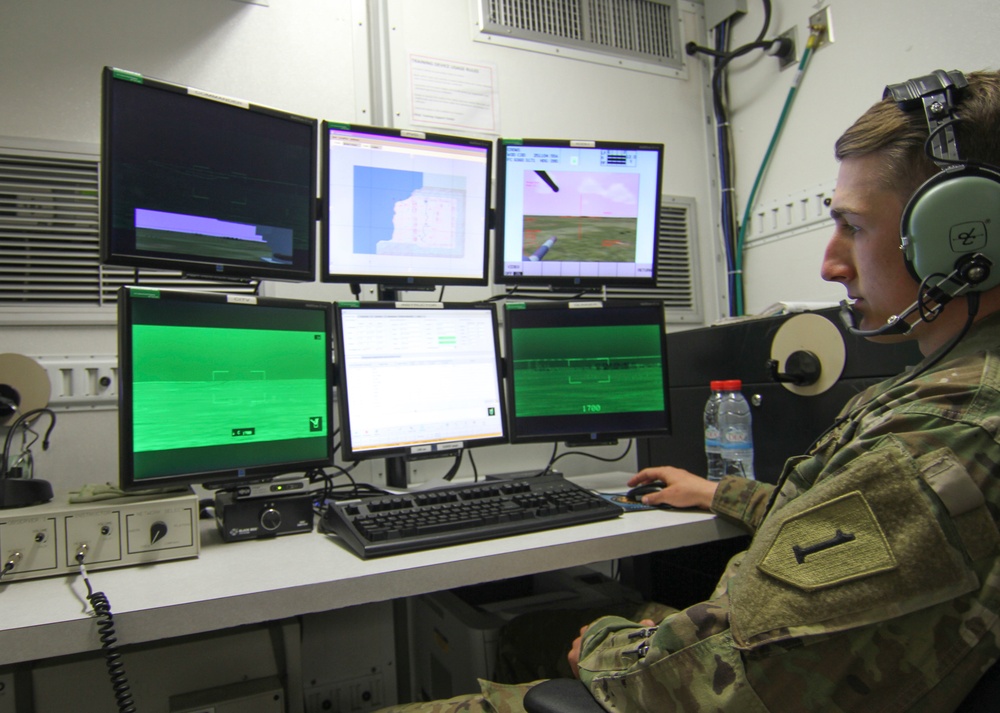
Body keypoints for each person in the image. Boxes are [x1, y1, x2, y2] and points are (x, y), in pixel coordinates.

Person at [380, 67, 1000, 712]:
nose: (829, 262)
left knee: (550, 633)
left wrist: (605, 644)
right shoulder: (949, 400)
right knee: (532, 631)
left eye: (855, 226)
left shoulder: (944, 432)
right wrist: (717, 491)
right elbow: (850, 535)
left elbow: (711, 684)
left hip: (713, 679)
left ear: (966, 235)